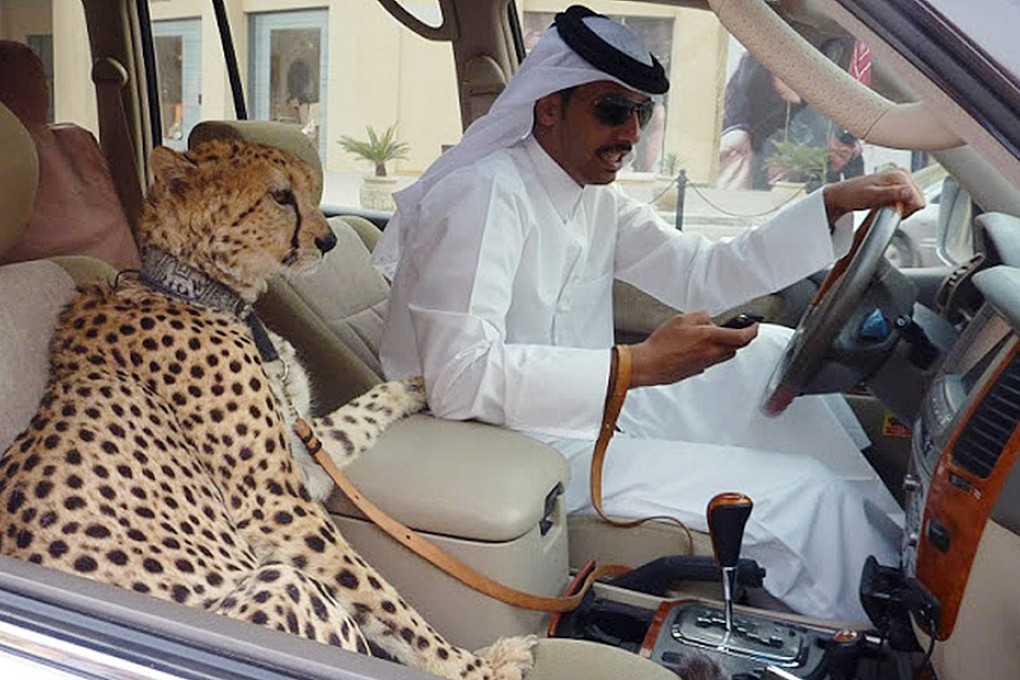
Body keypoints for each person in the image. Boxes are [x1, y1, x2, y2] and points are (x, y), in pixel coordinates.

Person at [371, 5, 924, 621]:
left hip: (585, 407)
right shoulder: (481, 195)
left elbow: (703, 271)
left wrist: (829, 205)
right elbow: (457, 379)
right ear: (548, 108)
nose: (631, 134)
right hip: (501, 445)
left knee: (770, 356)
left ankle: (904, 556)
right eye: (612, 110)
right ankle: (891, 632)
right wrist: (635, 365)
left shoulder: (589, 195)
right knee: (807, 497)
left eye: (642, 112)